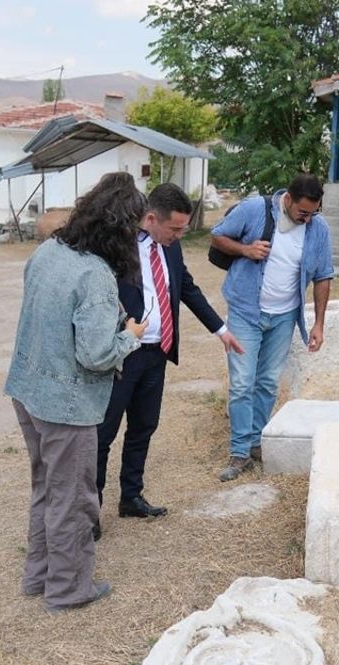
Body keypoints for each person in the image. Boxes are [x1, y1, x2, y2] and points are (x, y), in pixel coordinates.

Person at [3, 171, 149, 612]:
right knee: (74, 500)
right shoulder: (96, 275)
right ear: (122, 229)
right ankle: (68, 589)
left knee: (46, 487)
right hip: (67, 404)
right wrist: (131, 335)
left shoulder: (49, 251)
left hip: (28, 390)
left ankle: (39, 576)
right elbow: (96, 354)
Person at [96, 184, 245, 525]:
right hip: (122, 354)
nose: (179, 235)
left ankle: (131, 496)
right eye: (175, 228)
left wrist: (220, 330)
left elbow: (187, 289)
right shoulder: (117, 247)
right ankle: (90, 509)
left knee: (143, 427)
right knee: (103, 433)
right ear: (151, 218)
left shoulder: (171, 248)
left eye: (183, 229)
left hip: (156, 353)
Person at [209, 174, 334, 481]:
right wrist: (245, 250)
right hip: (246, 311)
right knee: (242, 382)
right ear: (288, 199)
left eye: (313, 212)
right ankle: (238, 452)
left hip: (284, 316)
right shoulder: (255, 209)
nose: (307, 218)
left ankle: (255, 441)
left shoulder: (318, 228)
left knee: (266, 382)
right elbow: (217, 236)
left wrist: (318, 322)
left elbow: (323, 275)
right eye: (303, 212)